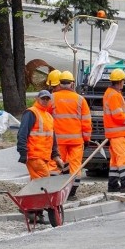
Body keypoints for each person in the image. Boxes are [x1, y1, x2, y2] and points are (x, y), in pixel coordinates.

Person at [51, 70, 92, 200]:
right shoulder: (80, 100)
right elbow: (86, 122)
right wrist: (86, 139)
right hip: (76, 141)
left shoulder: (51, 98)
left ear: (59, 83)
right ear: (72, 84)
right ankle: (72, 193)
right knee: (75, 166)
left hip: (57, 141)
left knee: (55, 166)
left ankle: (53, 191)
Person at [103, 68, 125, 193]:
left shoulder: (111, 93)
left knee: (115, 160)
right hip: (117, 132)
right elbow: (118, 116)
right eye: (123, 81)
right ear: (120, 81)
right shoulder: (114, 95)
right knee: (123, 157)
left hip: (114, 132)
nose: (124, 83)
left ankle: (113, 184)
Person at [17, 90, 64, 180]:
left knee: (37, 181)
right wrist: (23, 152)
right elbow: (22, 133)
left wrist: (56, 157)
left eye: (47, 99)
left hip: (44, 156)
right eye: (43, 98)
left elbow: (52, 138)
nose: (45, 100)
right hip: (34, 155)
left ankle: (31, 194)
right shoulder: (31, 112)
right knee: (44, 180)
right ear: (37, 99)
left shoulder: (48, 116)